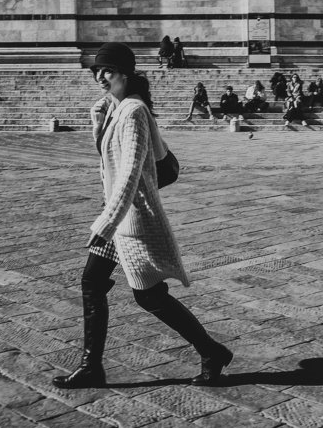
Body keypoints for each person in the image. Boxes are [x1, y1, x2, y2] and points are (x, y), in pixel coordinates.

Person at [53, 42, 231, 389]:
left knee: (149, 295)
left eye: (107, 70)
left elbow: (131, 172)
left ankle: (212, 351)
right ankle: (91, 367)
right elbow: (123, 160)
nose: (100, 76)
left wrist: (107, 222)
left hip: (130, 221)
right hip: (119, 217)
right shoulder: (118, 108)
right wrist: (99, 122)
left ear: (125, 73)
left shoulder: (133, 111)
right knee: (92, 283)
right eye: (97, 71)